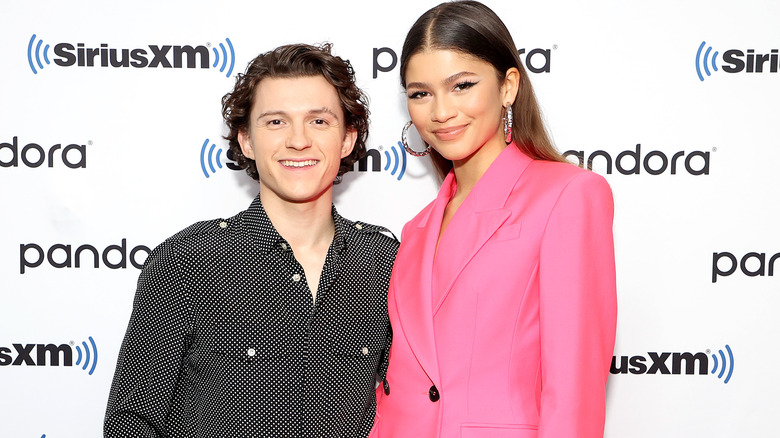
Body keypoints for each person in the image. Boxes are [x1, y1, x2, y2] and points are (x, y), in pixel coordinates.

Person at [104, 43, 398, 438]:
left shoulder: (385, 263)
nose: (298, 141)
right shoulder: (188, 260)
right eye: (276, 122)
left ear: (347, 140)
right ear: (246, 141)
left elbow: (416, 406)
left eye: (319, 122)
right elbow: (131, 422)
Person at [372, 2, 617, 437]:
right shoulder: (416, 230)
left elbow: (573, 394)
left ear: (508, 86)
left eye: (462, 85)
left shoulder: (567, 195)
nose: (441, 111)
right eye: (420, 93)